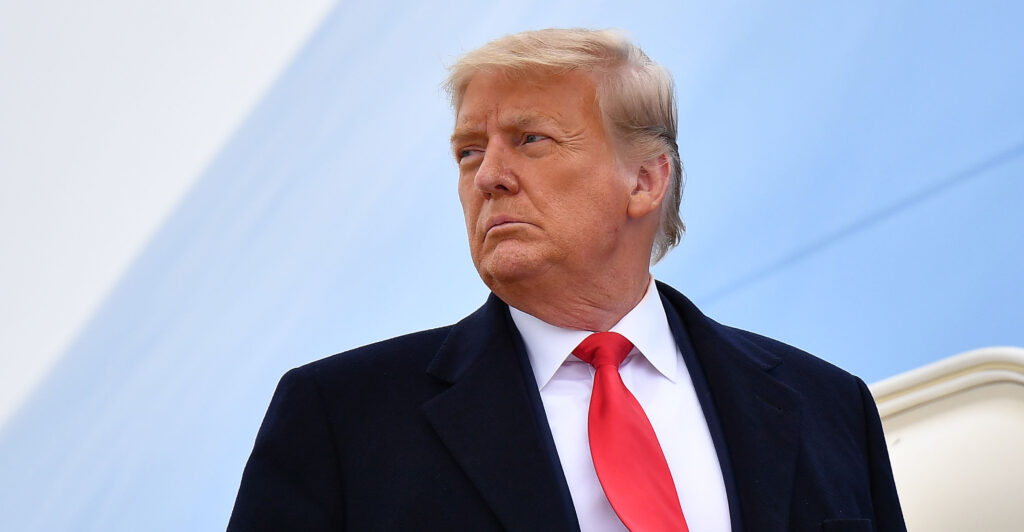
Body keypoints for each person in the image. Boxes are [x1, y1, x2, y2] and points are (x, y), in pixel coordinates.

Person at [227, 28, 906, 531]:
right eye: (469, 151)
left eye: (531, 140)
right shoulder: (340, 422)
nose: (488, 176)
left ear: (644, 180)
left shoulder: (829, 407)